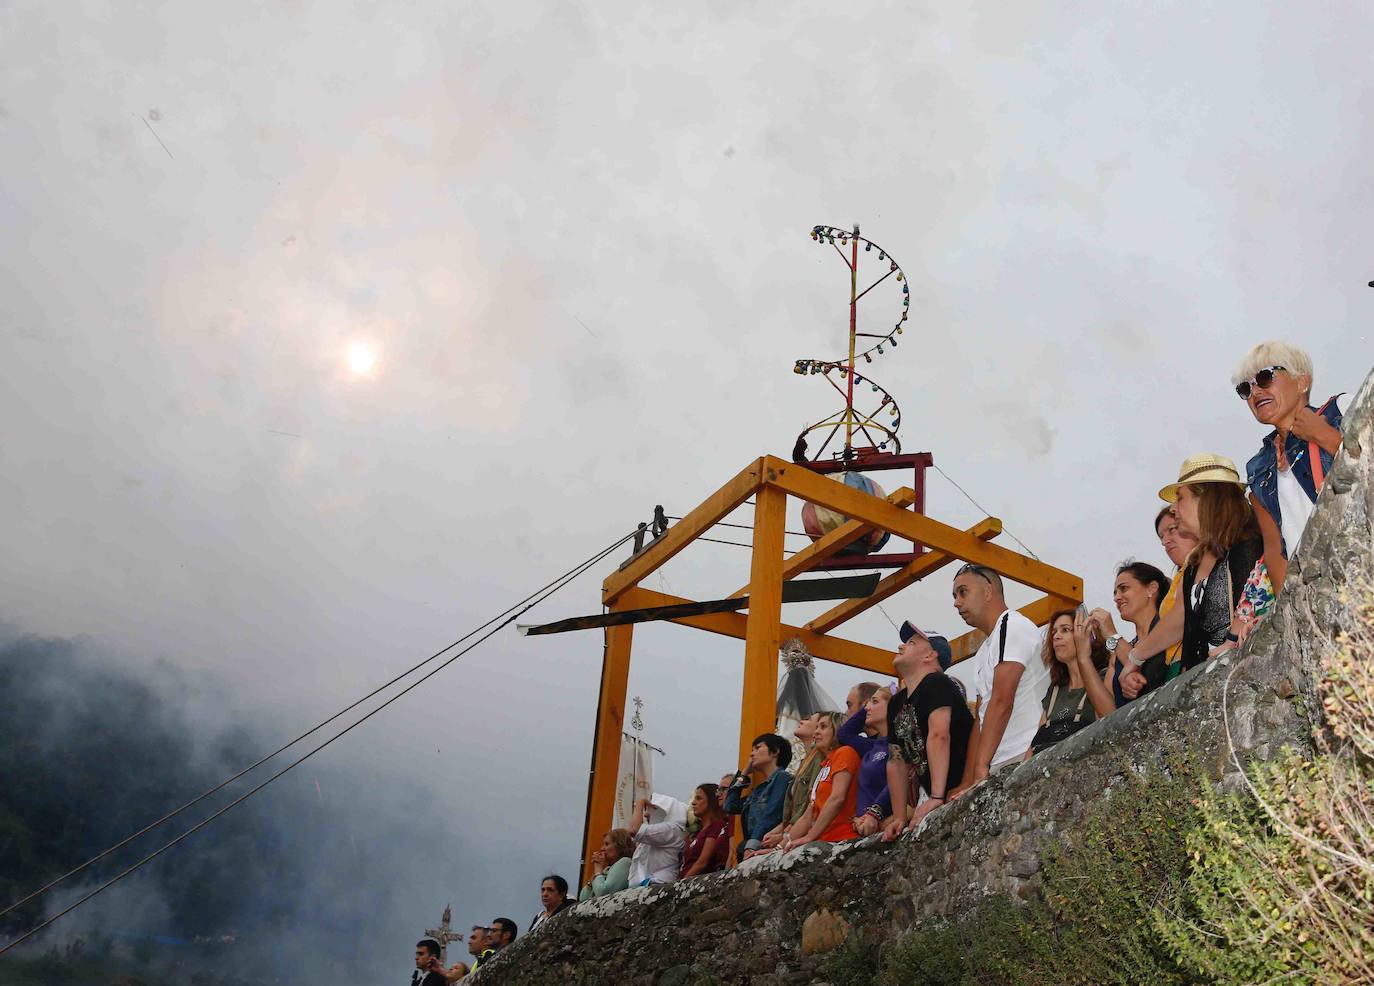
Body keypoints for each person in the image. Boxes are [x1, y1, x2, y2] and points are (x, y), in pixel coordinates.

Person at [1121, 455, 1268, 697]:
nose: (1173, 508)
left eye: (1180, 498)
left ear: (1206, 499)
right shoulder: (1193, 565)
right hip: (1206, 693)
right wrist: (1135, 657)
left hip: (1243, 691)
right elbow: (1180, 617)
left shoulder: (1249, 547)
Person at [1233, 342, 1347, 587]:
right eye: (1245, 388)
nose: (1254, 393)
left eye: (1265, 377)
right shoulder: (1259, 468)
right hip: (1321, 597)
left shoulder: (1342, 411)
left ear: (1302, 381)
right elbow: (1275, 552)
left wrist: (1323, 435)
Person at [951, 564, 1051, 782]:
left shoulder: (1012, 625)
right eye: (955, 595)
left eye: (963, 592)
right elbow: (981, 717)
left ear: (988, 591)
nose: (956, 602)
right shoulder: (984, 650)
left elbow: (1001, 701)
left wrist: (980, 769)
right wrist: (967, 781)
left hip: (1024, 749)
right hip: (999, 760)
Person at [882, 624, 977, 838]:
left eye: (911, 643)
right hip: (942, 792)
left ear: (930, 655)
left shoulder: (937, 682)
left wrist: (936, 797)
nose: (901, 646)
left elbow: (939, 735)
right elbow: (896, 760)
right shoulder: (897, 701)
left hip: (962, 786)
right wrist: (899, 818)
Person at [1026, 610, 1112, 757]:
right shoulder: (1055, 690)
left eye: (1065, 630)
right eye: (1054, 632)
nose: (1057, 636)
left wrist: (1084, 656)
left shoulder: (1104, 676)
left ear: (1087, 634)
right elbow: (1034, 746)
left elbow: (1109, 718)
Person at [1091, 562, 1172, 707]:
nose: (1117, 598)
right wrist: (1083, 657)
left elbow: (1150, 676)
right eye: (1115, 593)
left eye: (1124, 588)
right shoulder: (1116, 655)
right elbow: (1104, 714)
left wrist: (1111, 634)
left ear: (1151, 588)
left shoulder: (1169, 631)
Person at [777, 711, 859, 850]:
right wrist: (779, 848)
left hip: (841, 840)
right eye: (816, 728)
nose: (816, 732)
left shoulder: (845, 752)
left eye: (823, 727)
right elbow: (809, 814)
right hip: (823, 841)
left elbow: (837, 798)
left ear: (837, 729)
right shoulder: (825, 764)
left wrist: (810, 837)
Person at [761, 713, 826, 850]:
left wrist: (783, 836)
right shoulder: (803, 762)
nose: (801, 720)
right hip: (793, 833)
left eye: (808, 719)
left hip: (800, 836)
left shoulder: (819, 759)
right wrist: (778, 830)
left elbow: (809, 803)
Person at [722, 733, 792, 859]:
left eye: (758, 748)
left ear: (775, 751)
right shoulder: (758, 790)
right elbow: (729, 806)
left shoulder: (783, 778)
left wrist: (752, 845)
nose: (751, 754)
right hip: (753, 849)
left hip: (765, 848)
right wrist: (743, 773)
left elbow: (771, 814)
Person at [837, 686, 892, 836]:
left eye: (874, 702)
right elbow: (844, 734)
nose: (867, 707)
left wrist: (875, 813)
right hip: (863, 829)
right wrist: (868, 708)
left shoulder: (899, 745)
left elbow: (896, 782)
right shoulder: (873, 746)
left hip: (884, 827)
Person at [1154, 506, 1201, 682]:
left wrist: (1134, 658)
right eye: (1161, 537)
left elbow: (1180, 618)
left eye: (1172, 530)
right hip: (1176, 666)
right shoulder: (1179, 577)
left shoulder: (1202, 565)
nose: (1166, 541)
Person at [627, 793, 688, 886]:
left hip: (659, 883)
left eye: (652, 809)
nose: (646, 814)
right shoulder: (667, 830)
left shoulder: (671, 829)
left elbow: (634, 830)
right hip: (652, 883)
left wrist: (640, 802)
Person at [680, 784, 730, 879]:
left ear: (711, 801)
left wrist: (682, 884)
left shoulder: (716, 826)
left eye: (699, 798)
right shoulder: (699, 832)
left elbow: (702, 862)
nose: (693, 803)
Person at [578, 828, 634, 901]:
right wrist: (595, 875)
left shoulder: (625, 862)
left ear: (620, 845)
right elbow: (583, 898)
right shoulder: (606, 869)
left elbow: (603, 894)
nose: (602, 849)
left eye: (607, 844)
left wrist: (598, 870)